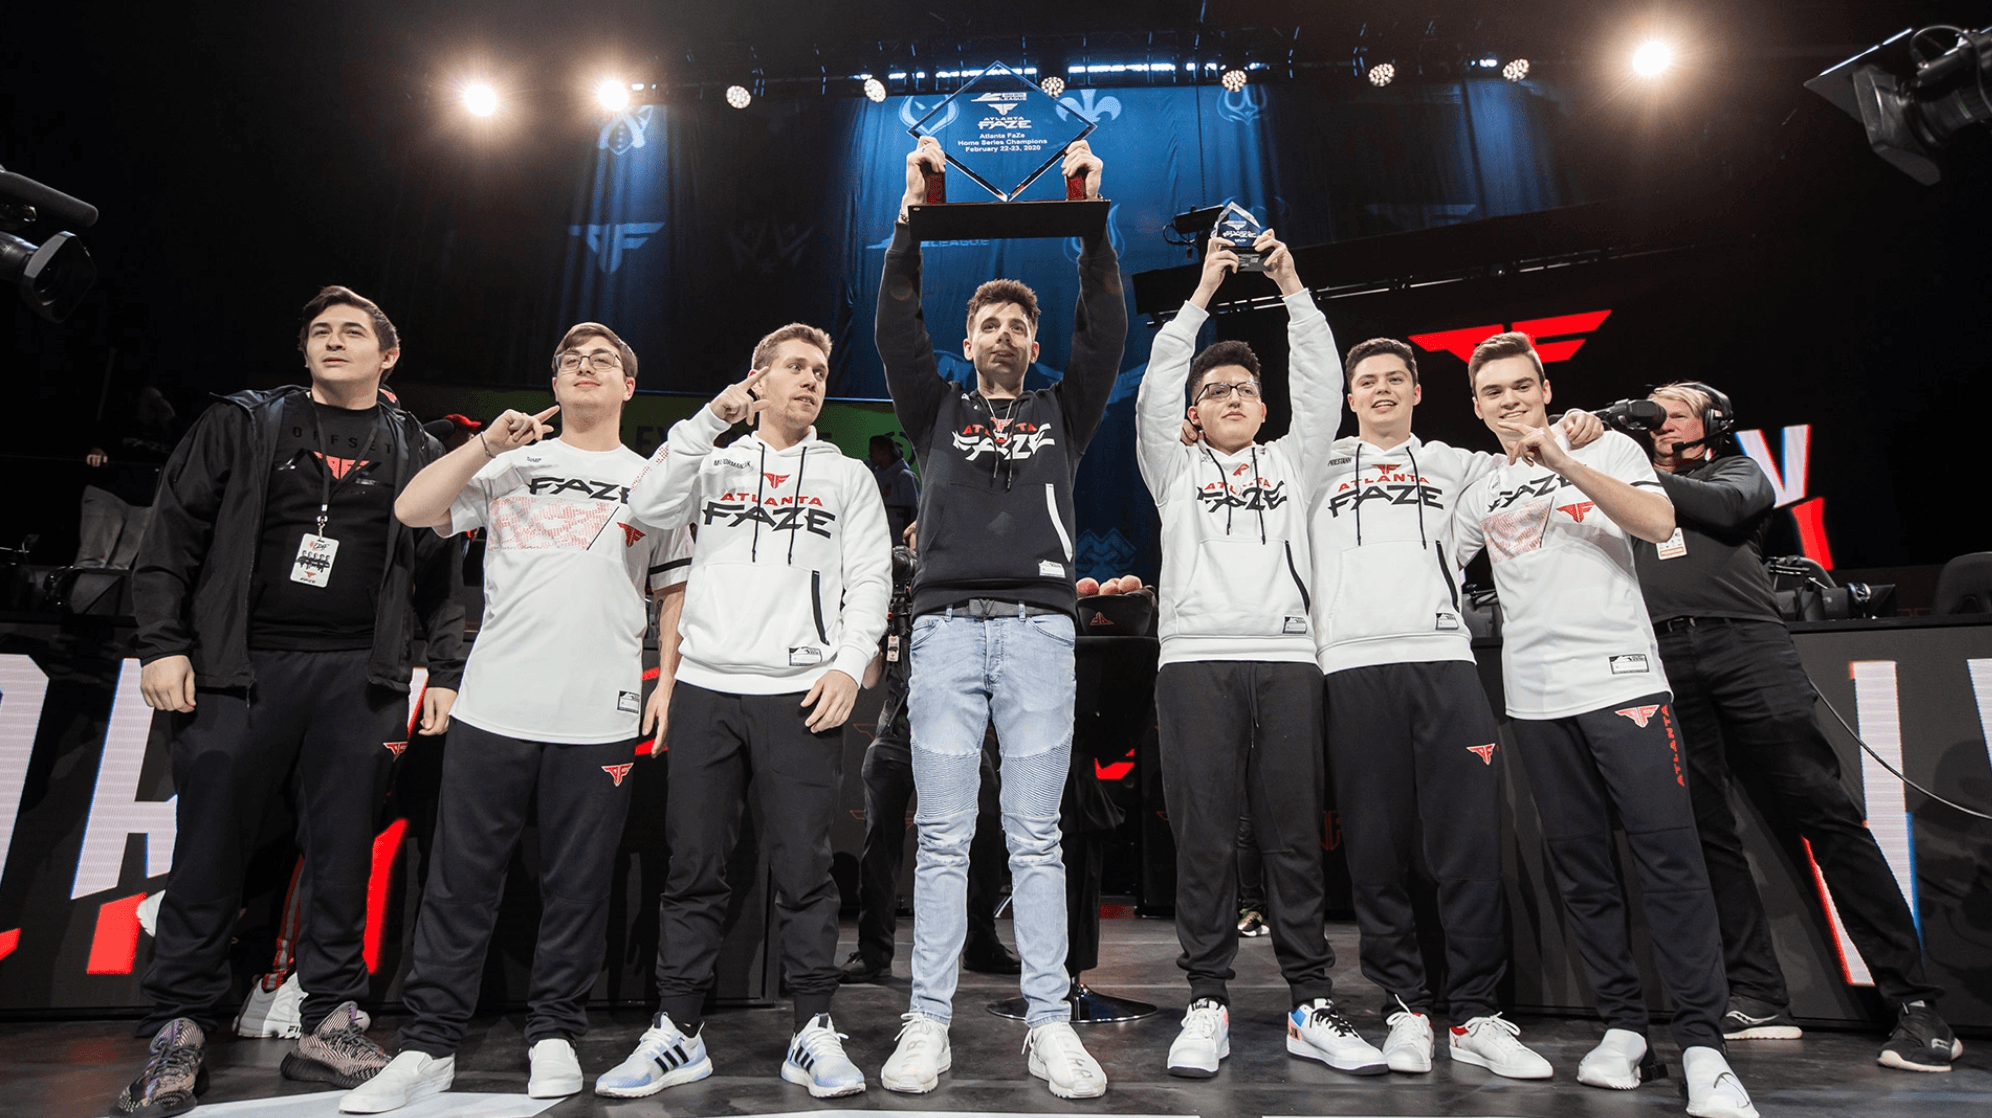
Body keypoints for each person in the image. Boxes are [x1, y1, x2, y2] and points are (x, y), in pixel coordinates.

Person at [119, 286, 464, 1117]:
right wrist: (162, 641)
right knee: (208, 853)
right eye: (320, 331)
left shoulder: (416, 446)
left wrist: (447, 669)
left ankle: (329, 1025)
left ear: (389, 357)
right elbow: (170, 537)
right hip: (239, 672)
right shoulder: (243, 421)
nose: (333, 341)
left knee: (343, 857)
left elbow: (446, 574)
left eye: (353, 332)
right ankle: (179, 1029)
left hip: (360, 680)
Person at [337, 323, 691, 1113]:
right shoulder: (510, 465)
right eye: (571, 360)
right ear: (555, 383)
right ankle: (430, 1044)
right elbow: (411, 508)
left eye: (605, 360)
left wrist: (667, 682)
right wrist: (483, 447)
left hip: (600, 711)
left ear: (629, 387)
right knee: (460, 881)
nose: (586, 368)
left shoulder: (654, 480)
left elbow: (672, 592)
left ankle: (555, 1030)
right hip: (495, 704)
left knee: (576, 883)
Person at [871, 134, 1125, 1100]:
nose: (1009, 331)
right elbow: (896, 320)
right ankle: (926, 1021)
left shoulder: (1068, 410)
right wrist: (912, 216)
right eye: (992, 320)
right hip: (941, 630)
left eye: (1021, 320)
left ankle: (1051, 1024)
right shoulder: (933, 409)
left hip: (1038, 631)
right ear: (969, 340)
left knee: (1036, 836)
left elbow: (1106, 326)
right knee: (941, 836)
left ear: (1033, 338)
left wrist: (1089, 215)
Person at [1450, 333, 1757, 1118]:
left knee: (1671, 862)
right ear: (1477, 405)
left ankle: (1701, 1044)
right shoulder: (1480, 487)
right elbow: (1432, 561)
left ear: (1545, 388)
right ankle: (1622, 1025)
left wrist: (1563, 461)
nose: (1509, 400)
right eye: (1494, 391)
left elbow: (1656, 523)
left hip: (1623, 685)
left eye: (1522, 385)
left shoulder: (1610, 446)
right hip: (1535, 697)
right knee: (1583, 871)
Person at [598, 323, 891, 1100]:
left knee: (806, 871)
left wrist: (846, 663)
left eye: (820, 369)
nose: (810, 379)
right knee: (693, 867)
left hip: (797, 691)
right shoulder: (712, 458)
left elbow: (869, 581)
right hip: (706, 685)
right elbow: (646, 504)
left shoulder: (849, 478)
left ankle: (812, 1031)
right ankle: (678, 1031)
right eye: (794, 366)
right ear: (758, 378)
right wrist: (708, 419)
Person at [1634, 381, 1960, 1071]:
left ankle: (1915, 1003)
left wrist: (1623, 464)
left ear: (1714, 421)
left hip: (1745, 644)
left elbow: (1720, 508)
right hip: (1661, 652)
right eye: (1653, 403)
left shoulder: (1737, 471)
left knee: (1826, 814)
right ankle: (1755, 992)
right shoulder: (1628, 486)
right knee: (1706, 830)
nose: (1660, 413)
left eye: (1678, 405)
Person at [1308, 337, 1600, 1079]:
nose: (1379, 390)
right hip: (1349, 667)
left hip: (1444, 661)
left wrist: (1579, 426)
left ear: (1415, 391)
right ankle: (1404, 1007)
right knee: (1375, 849)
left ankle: (1475, 1015)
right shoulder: (1313, 465)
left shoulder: (1459, 465)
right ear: (1348, 398)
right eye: (1365, 381)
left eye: (1394, 380)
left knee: (1469, 845)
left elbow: (1531, 448)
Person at [1139, 232, 1386, 1079]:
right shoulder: (1171, 468)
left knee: (1289, 837)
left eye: (1245, 387)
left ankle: (1310, 1004)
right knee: (1205, 838)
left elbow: (1320, 381)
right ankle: (1205, 1001)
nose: (1233, 396)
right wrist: (1203, 295)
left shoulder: (1293, 460)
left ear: (1264, 406)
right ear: (1193, 413)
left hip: (1286, 662)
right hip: (1195, 662)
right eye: (1215, 391)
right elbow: (1154, 384)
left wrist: (1291, 287)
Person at [843, 528, 1019, 986]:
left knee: (983, 834)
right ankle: (873, 951)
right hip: (898, 727)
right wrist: (877, 626)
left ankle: (980, 942)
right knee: (879, 840)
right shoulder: (898, 600)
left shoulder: (974, 589)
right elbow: (868, 679)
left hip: (963, 730)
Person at [78, 384, 177, 568]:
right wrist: (97, 449)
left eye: (157, 400)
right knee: (92, 560)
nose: (153, 405)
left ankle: (107, 597)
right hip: (110, 494)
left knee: (120, 566)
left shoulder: (168, 433)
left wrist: (169, 417)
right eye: (149, 400)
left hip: (145, 504)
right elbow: (96, 441)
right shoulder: (120, 422)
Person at [868, 434, 921, 544]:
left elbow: (914, 512)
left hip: (900, 542)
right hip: (879, 539)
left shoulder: (905, 477)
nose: (870, 455)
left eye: (873, 451)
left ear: (885, 451)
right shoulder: (874, 476)